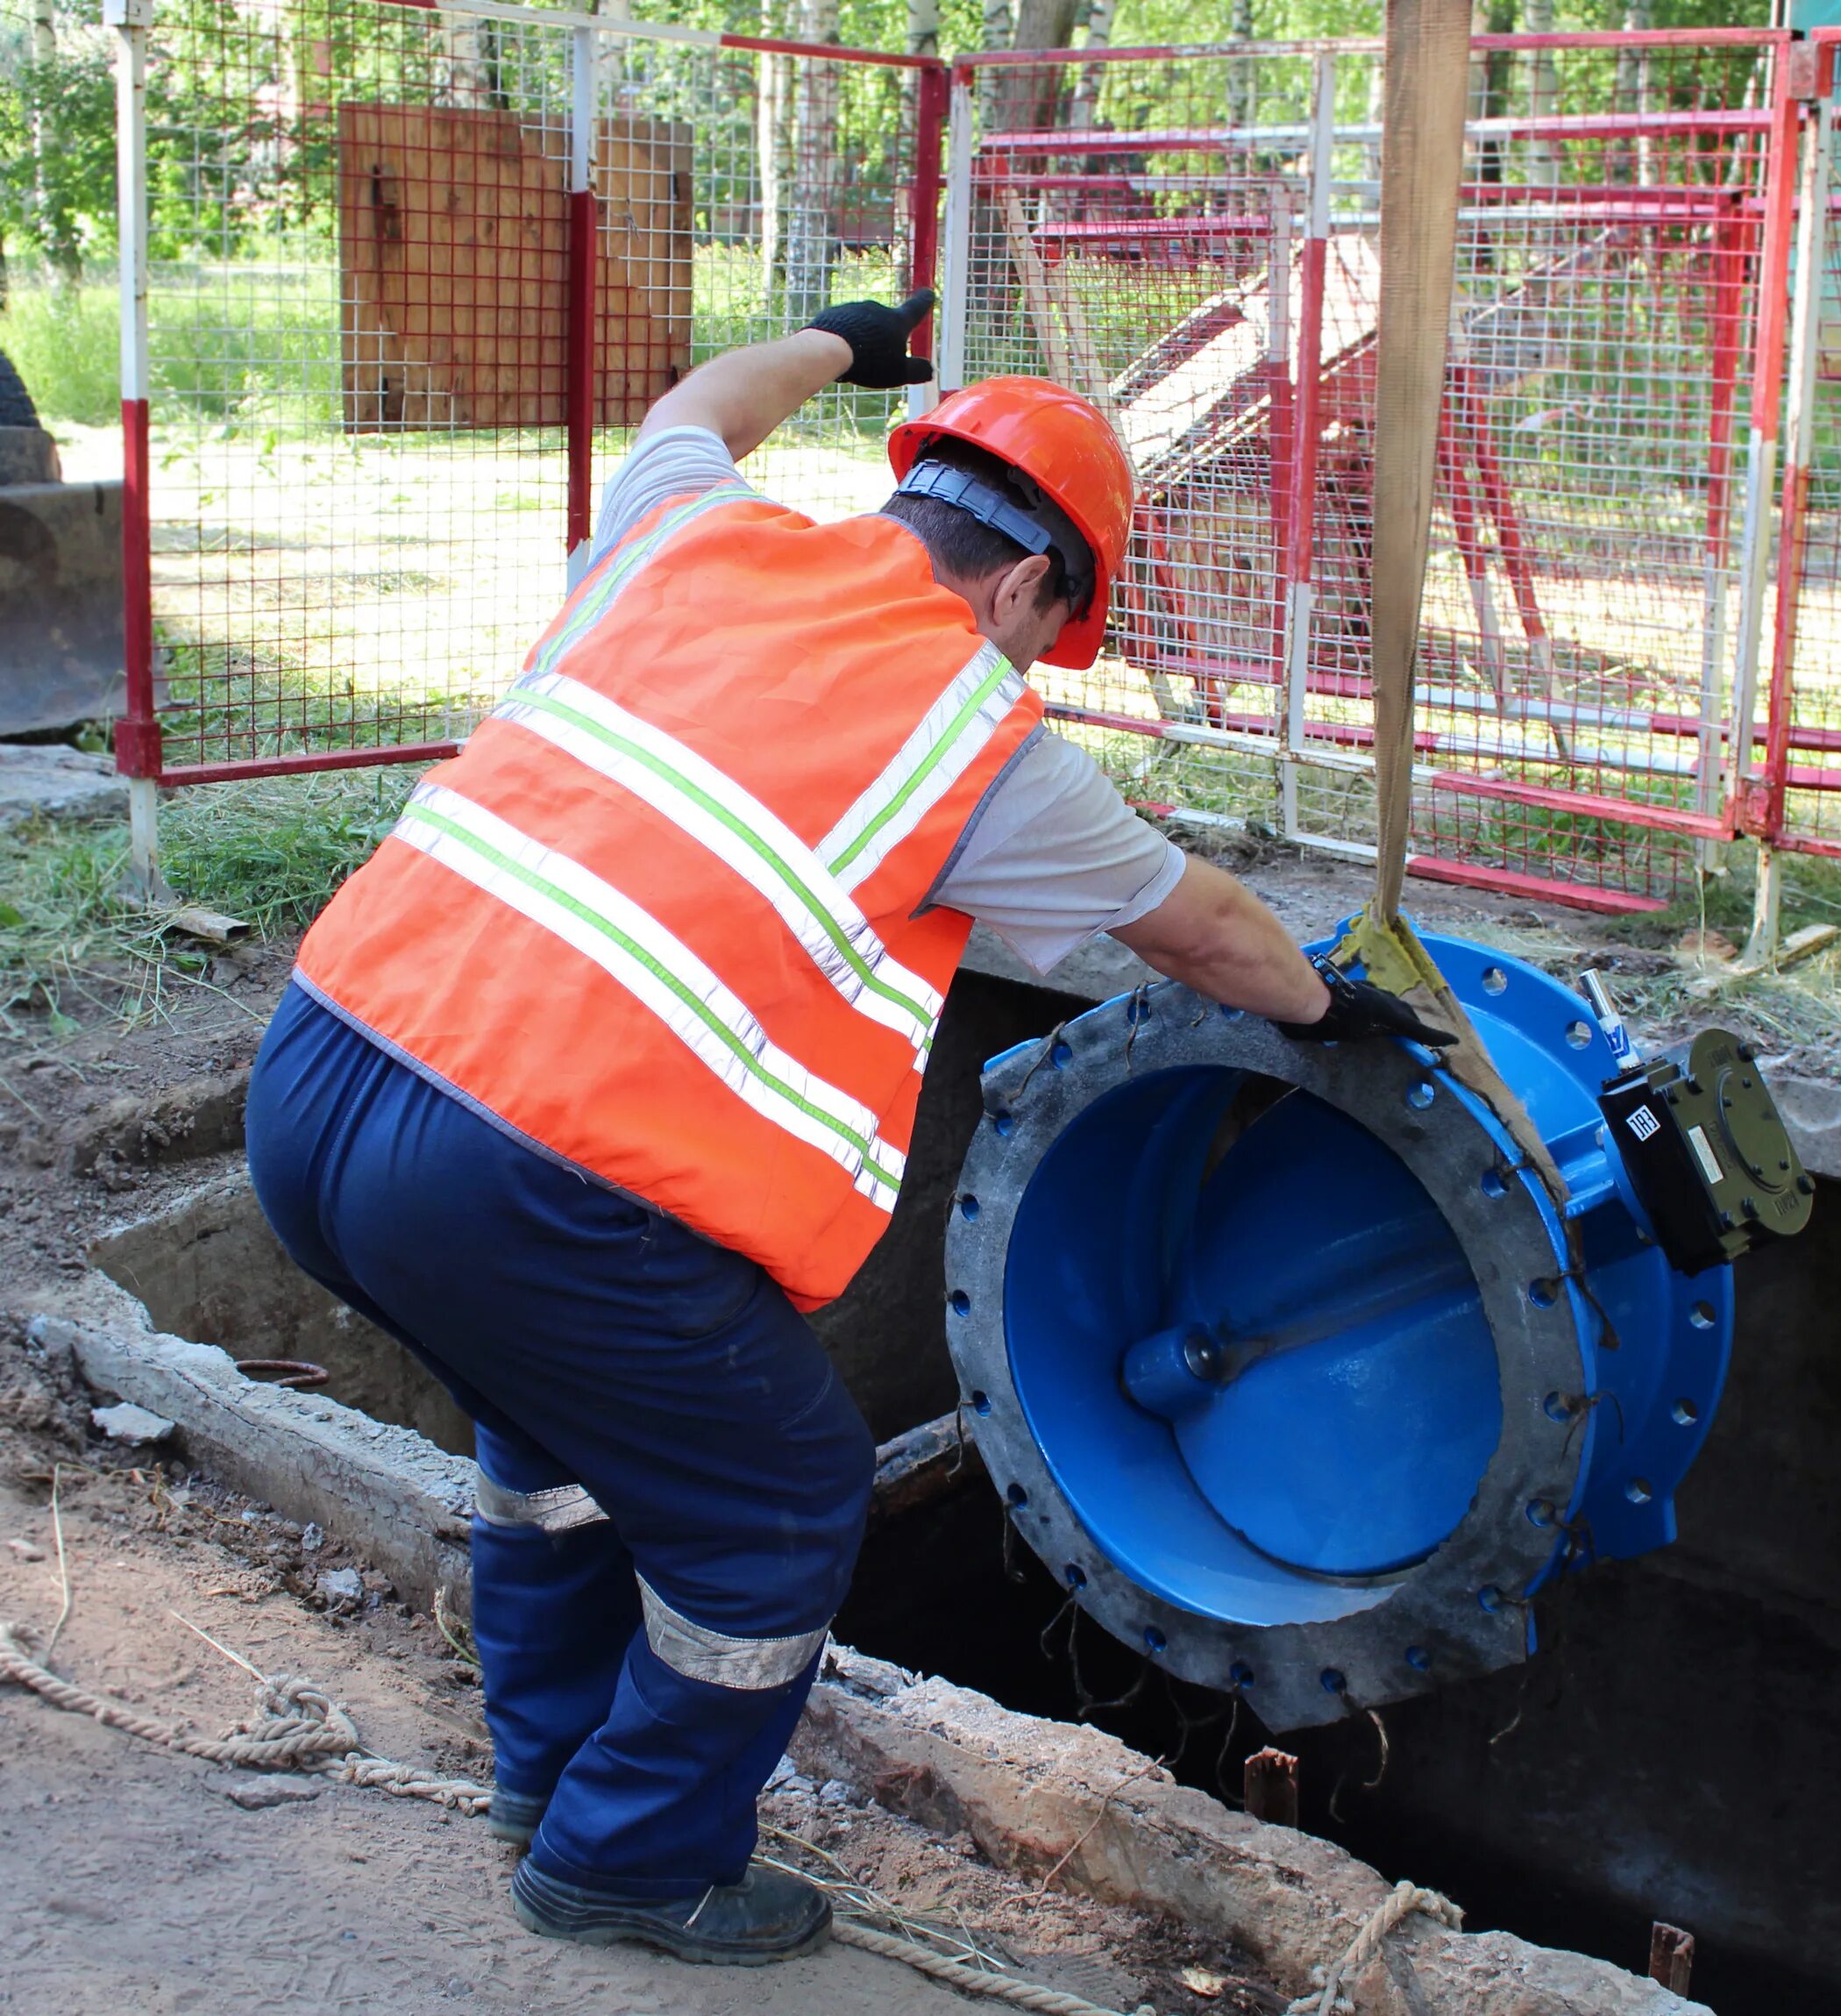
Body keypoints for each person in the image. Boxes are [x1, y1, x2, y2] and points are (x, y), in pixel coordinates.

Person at [244, 294, 1447, 1965]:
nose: (1032, 665)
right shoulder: (974, 738)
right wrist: (1334, 1010)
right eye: (1048, 632)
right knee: (785, 1497)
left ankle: (551, 1777)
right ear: (1030, 586)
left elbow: (704, 400)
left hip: (312, 1084)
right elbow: (1199, 930)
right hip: (515, 1176)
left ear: (917, 499)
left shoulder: (684, 534)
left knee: (560, 1435)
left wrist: (837, 339)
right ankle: (631, 1854)